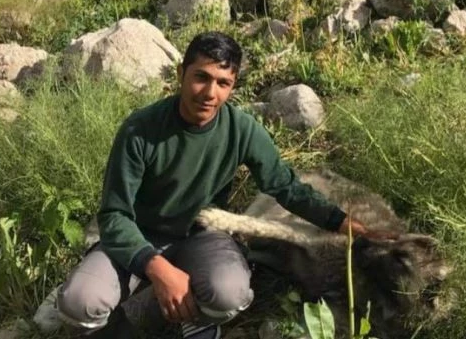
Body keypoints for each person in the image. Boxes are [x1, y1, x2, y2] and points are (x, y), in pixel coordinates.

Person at [55, 31, 370, 339]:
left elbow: (285, 186)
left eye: (223, 83)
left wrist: (341, 222)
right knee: (78, 303)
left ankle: (195, 320)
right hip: (141, 235)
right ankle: (130, 312)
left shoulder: (242, 129)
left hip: (201, 236)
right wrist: (157, 268)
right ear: (181, 73)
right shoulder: (140, 129)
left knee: (230, 293)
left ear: (232, 86)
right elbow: (114, 216)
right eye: (201, 77)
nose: (210, 93)